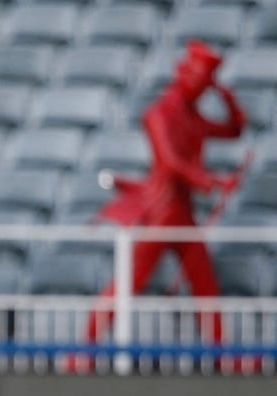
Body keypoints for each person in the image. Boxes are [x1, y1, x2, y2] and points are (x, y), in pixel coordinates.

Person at [86, 39, 246, 349]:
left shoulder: (193, 116)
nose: (201, 89)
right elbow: (171, 162)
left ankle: (221, 354)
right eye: (200, 81)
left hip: (183, 212)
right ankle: (85, 347)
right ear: (184, 74)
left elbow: (235, 130)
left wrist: (226, 96)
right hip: (162, 209)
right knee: (130, 281)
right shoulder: (158, 114)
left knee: (205, 288)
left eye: (206, 84)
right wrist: (212, 181)